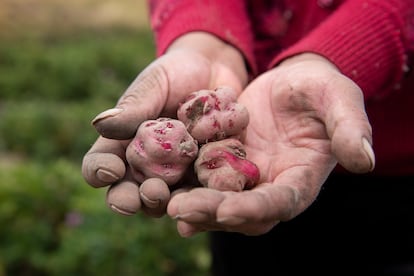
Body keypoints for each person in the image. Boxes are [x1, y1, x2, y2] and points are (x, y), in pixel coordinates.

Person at [82, 0, 414, 274]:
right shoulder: (213, 138)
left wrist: (336, 54)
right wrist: (204, 39)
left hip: (393, 176)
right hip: (266, 162)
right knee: (239, 230)